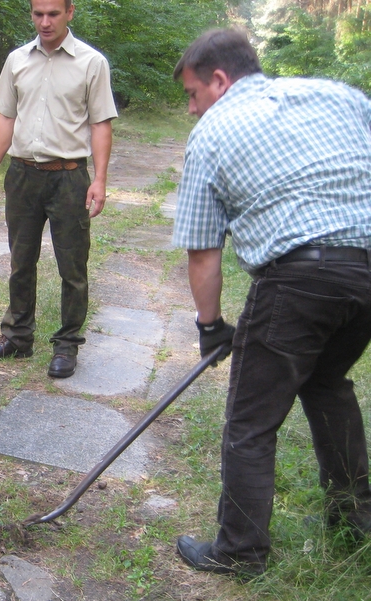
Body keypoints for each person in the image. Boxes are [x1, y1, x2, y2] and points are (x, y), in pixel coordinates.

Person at [171, 27, 371, 577]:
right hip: (367, 272)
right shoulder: (341, 96)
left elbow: (203, 252)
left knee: (250, 421)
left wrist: (210, 325)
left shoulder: (213, 132)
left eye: (192, 94)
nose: (191, 109)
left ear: (219, 79)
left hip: (299, 280)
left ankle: (239, 551)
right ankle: (356, 519)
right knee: (329, 384)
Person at [0, 0, 117, 378]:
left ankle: (67, 345)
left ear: (70, 12)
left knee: (72, 265)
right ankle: (18, 337)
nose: (45, 22)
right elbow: (6, 116)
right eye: (38, 14)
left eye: (53, 14)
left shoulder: (91, 63)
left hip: (69, 177)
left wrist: (100, 180)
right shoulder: (17, 60)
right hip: (22, 174)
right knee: (21, 260)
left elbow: (101, 123)